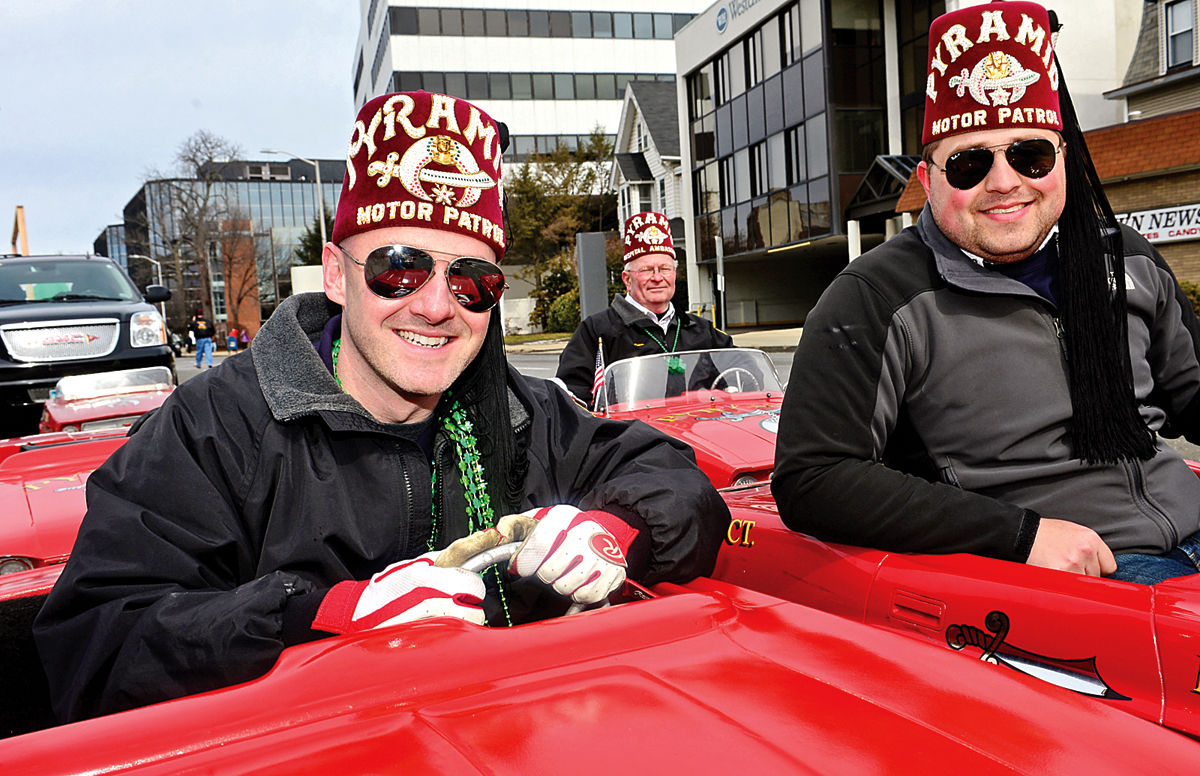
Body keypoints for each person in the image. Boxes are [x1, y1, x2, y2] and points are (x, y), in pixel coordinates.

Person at [34, 91, 729, 723]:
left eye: (472, 280)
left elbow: (679, 481)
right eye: (400, 266)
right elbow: (95, 646)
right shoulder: (214, 427)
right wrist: (327, 612)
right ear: (337, 274)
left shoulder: (521, 411)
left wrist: (612, 529)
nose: (433, 305)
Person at [773, 1, 1200, 586]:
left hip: (1190, 525)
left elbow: (1193, 395)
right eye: (970, 164)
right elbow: (814, 478)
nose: (1005, 182)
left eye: (1031, 154)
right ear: (926, 180)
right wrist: (1020, 536)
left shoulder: (1126, 256)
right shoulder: (875, 297)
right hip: (1079, 581)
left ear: (1064, 162)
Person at [556, 211, 734, 407]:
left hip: (696, 431)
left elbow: (742, 373)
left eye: (665, 269)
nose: (657, 278)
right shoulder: (597, 331)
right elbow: (572, 397)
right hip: (630, 435)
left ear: (674, 274)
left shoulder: (701, 330)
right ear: (627, 279)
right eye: (647, 270)